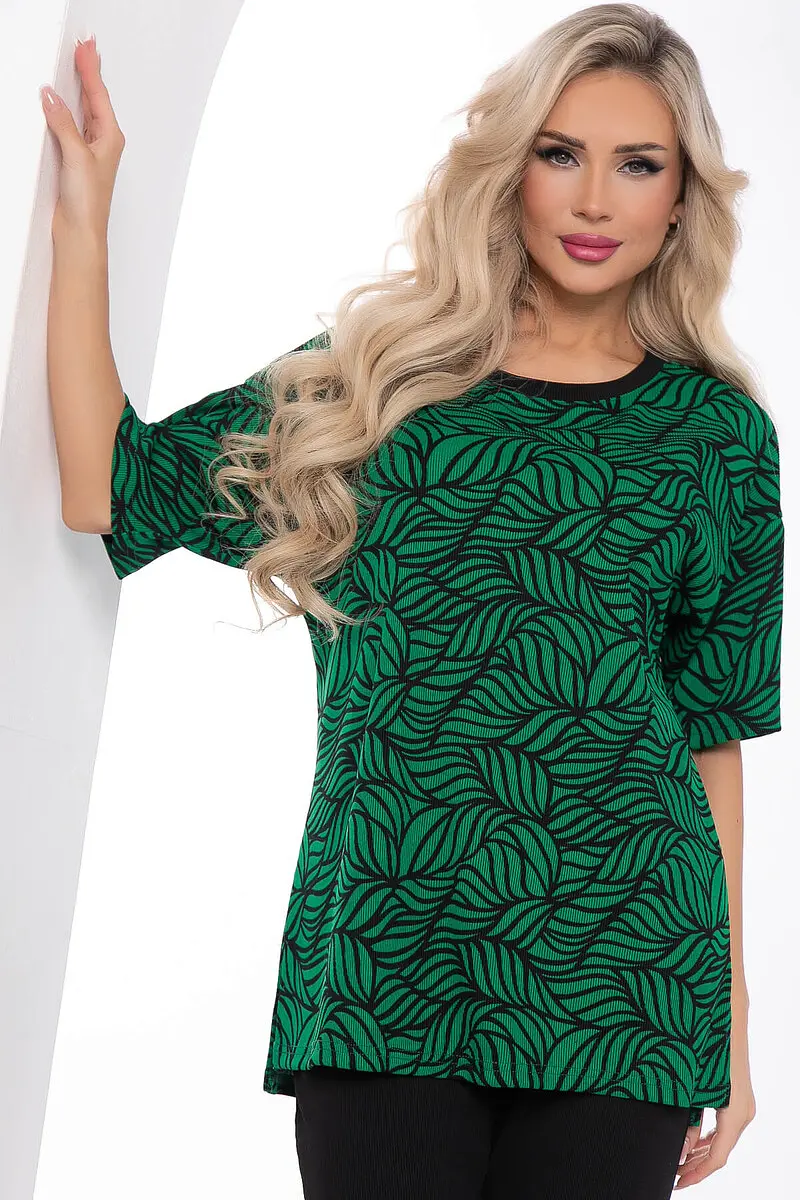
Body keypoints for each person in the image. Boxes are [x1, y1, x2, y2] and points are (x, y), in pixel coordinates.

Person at [43, 4, 783, 1197]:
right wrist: (83, 222)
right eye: (559, 153)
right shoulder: (373, 382)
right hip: (386, 956)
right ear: (508, 168)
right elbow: (109, 489)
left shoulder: (715, 438)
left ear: (680, 199)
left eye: (637, 165)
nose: (594, 199)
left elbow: (708, 731)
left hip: (627, 975)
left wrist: (730, 1025)